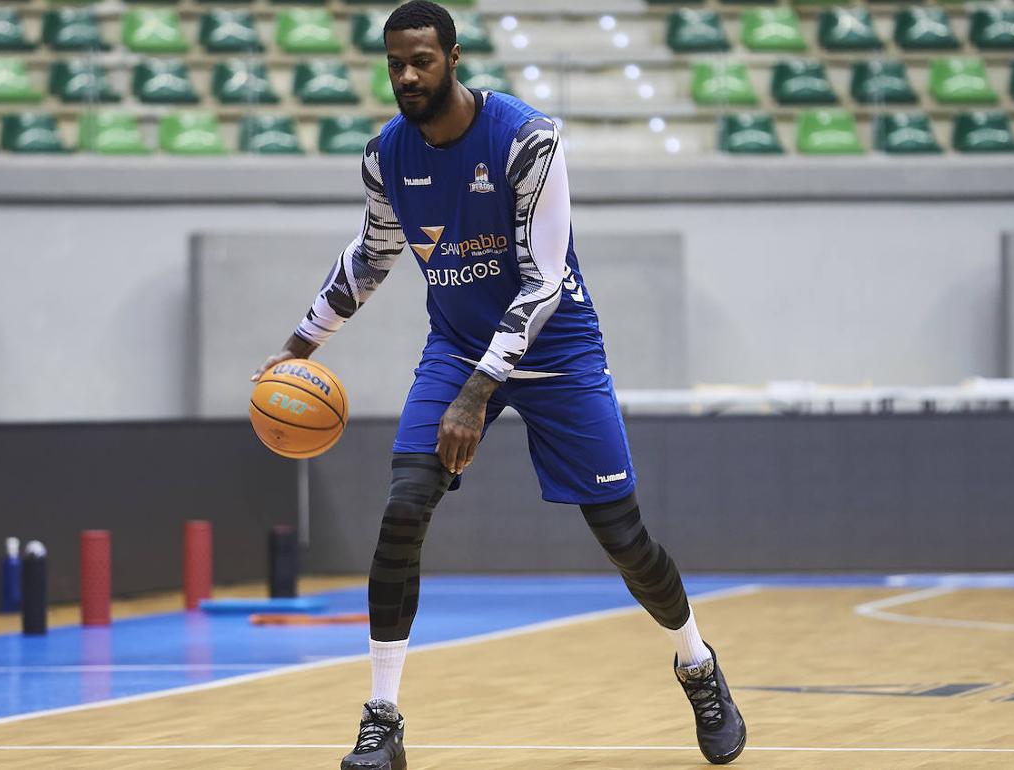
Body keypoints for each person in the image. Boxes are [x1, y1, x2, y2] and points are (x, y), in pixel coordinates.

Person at [251, 2, 746, 767]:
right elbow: (371, 257)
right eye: (395, 63)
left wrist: (477, 394)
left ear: (452, 58)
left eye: (421, 60)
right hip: (456, 348)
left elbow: (544, 280)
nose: (407, 75)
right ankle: (382, 718)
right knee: (403, 511)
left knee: (623, 538)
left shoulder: (526, 138)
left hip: (557, 350)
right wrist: (296, 348)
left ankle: (698, 665)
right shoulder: (386, 155)